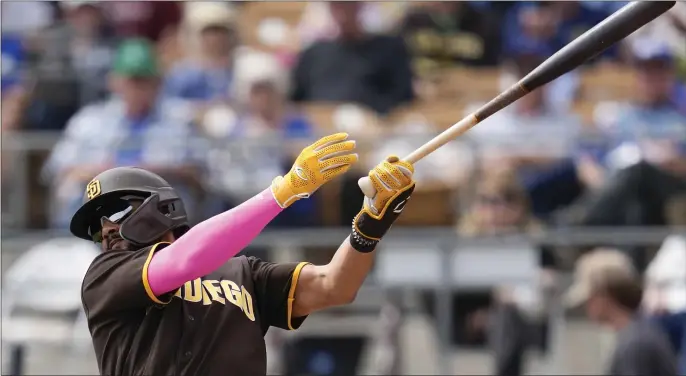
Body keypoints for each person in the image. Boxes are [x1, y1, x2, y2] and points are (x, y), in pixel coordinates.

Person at [72, 132, 416, 375]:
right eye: (95, 226)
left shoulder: (241, 272)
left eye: (114, 211)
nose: (105, 227)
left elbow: (333, 286)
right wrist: (285, 191)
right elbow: (184, 261)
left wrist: (368, 226)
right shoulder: (106, 276)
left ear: (161, 208)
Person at [42, 38, 203, 229]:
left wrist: (148, 172)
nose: (137, 88)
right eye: (131, 80)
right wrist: (106, 173)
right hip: (100, 209)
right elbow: (58, 168)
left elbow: (198, 172)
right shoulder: (89, 121)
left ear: (157, 82)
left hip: (159, 212)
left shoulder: (180, 119)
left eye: (144, 80)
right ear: (114, 81)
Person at [565, 249, 678, 376]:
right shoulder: (640, 333)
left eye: (590, 298)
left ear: (604, 295)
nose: (586, 307)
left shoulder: (635, 344)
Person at [290, 1, 415, 115]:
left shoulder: (388, 49)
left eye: (348, 4)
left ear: (359, 6)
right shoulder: (313, 54)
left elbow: (402, 98)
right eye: (337, 4)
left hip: (375, 129)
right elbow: (297, 100)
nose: (343, 10)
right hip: (321, 132)